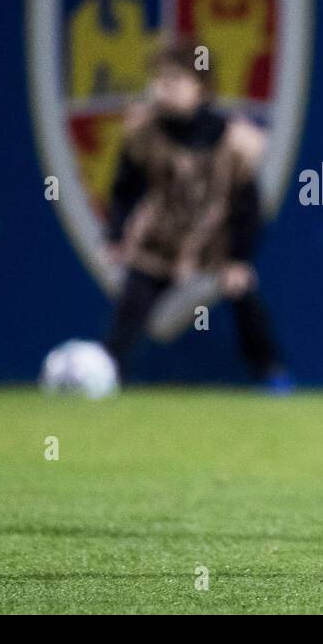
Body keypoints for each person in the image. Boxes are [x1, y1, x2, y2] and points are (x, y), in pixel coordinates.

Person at [104, 36, 293, 393]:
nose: (164, 89)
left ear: (202, 87)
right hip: (158, 248)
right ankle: (108, 373)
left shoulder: (234, 139)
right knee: (132, 304)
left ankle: (272, 374)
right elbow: (124, 190)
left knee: (246, 298)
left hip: (212, 251)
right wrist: (115, 236)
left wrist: (238, 259)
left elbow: (247, 207)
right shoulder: (143, 133)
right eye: (159, 80)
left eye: (175, 81)